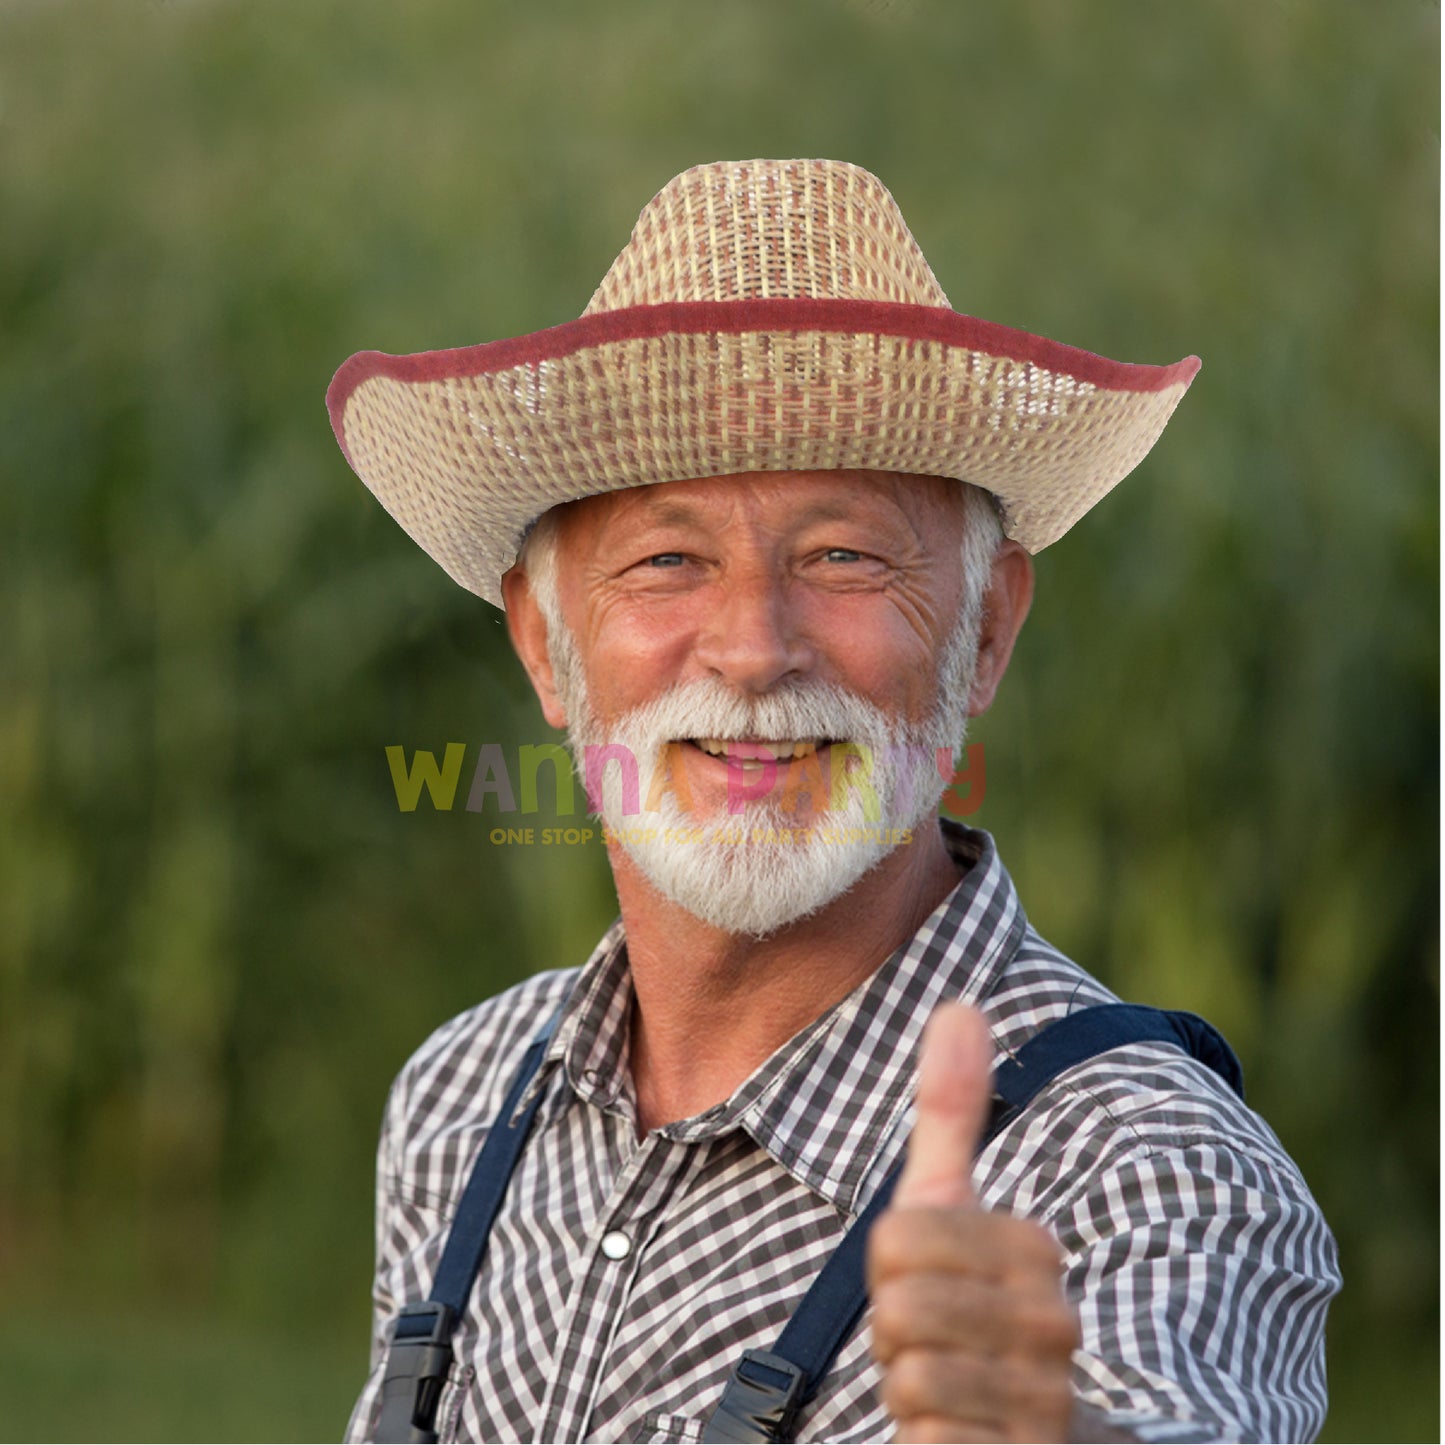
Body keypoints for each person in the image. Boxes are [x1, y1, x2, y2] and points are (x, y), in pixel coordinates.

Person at [326, 159, 1339, 1444]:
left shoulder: (1146, 1175)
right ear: (543, 641)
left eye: (843, 555)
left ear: (982, 631)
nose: (752, 647)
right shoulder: (466, 1095)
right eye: (666, 558)